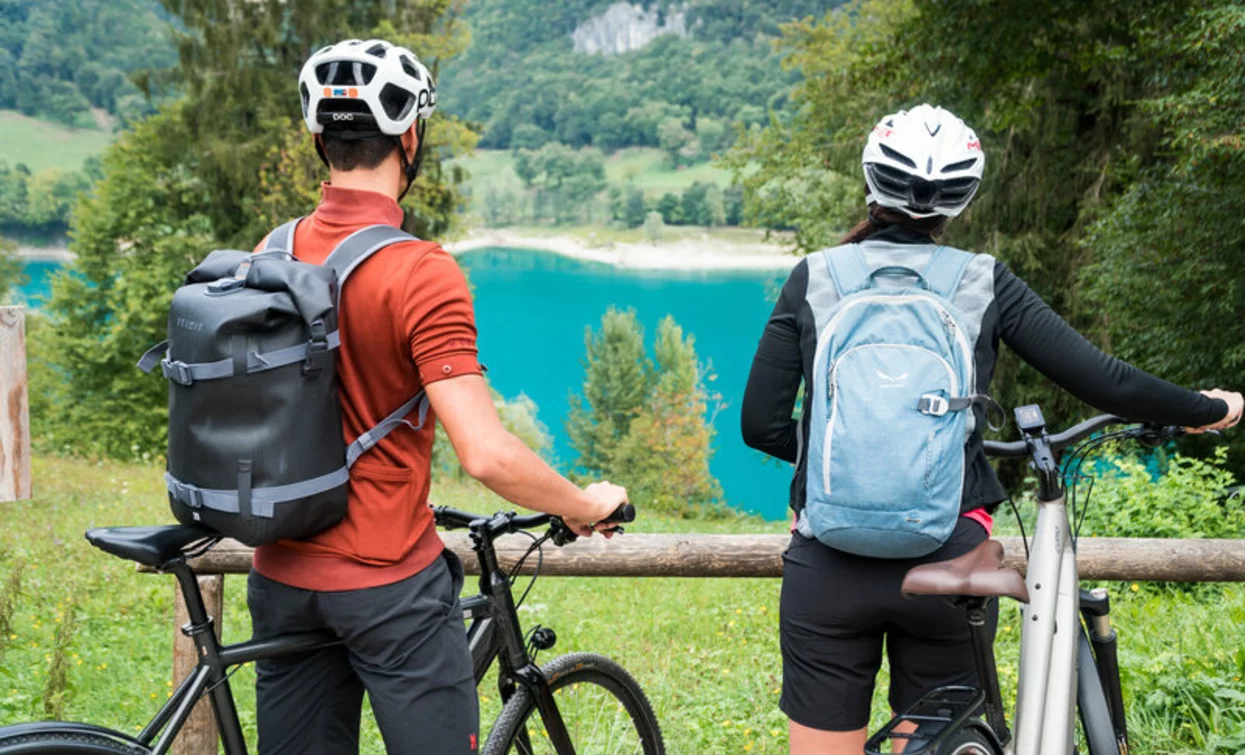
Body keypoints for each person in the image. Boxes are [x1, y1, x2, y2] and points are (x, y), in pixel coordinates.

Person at [740, 103, 1243, 755]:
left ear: (870, 179)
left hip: (826, 564)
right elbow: (1103, 379)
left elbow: (759, 423)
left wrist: (830, 466)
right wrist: (1207, 407)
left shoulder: (814, 277)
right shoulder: (981, 280)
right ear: (963, 196)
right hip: (948, 558)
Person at [245, 39, 629, 755]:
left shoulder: (271, 249)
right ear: (410, 135)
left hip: (280, 575)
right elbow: (485, 452)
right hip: (387, 585)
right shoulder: (419, 271)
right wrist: (583, 504)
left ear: (315, 137)